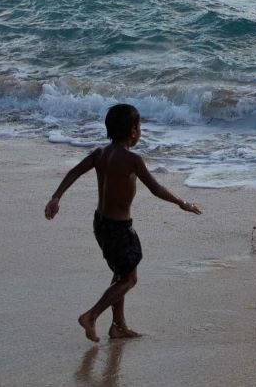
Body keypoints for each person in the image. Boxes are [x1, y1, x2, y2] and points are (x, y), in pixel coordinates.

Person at [44, 103, 202, 343]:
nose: (140, 131)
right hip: (120, 229)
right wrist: (182, 203)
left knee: (120, 274)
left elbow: (74, 172)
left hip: (101, 224)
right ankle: (91, 316)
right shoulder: (132, 160)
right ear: (132, 131)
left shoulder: (100, 154)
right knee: (129, 279)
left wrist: (56, 196)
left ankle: (118, 326)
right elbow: (156, 188)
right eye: (139, 127)